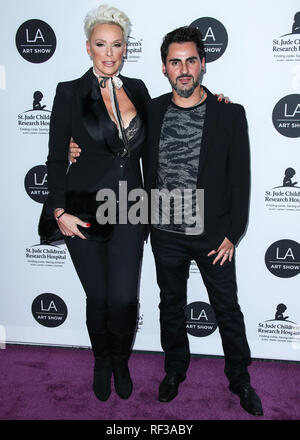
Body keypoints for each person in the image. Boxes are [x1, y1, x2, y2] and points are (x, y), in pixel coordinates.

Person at [144, 26, 263, 416]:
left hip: (213, 235)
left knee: (227, 307)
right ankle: (175, 369)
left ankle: (240, 378)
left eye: (190, 61)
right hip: (165, 232)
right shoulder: (153, 110)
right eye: (175, 62)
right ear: (164, 68)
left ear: (203, 64)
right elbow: (116, 146)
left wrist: (233, 233)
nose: (183, 69)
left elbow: (239, 179)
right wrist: (76, 148)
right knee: (170, 305)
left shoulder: (229, 113)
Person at [45, 4, 150, 402]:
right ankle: (101, 360)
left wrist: (217, 102)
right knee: (99, 297)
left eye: (117, 45)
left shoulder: (138, 89)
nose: (109, 53)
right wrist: (59, 211)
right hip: (82, 211)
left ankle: (121, 359)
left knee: (124, 298)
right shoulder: (70, 92)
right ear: (88, 47)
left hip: (130, 209)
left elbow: (159, 133)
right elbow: (56, 156)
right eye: (101, 44)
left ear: (125, 48)